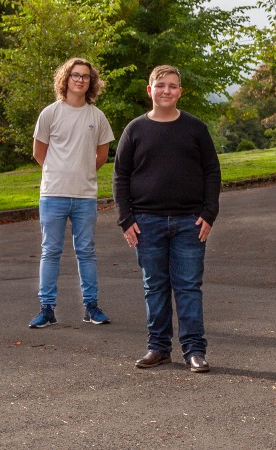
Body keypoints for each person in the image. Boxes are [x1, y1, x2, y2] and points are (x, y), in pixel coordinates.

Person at [113, 65, 221, 373]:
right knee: (155, 286)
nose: (166, 91)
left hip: (190, 221)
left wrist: (208, 213)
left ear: (180, 92)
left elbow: (212, 172)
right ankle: (158, 348)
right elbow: (120, 176)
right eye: (160, 85)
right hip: (146, 222)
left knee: (188, 287)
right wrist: (126, 219)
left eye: (173, 86)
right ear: (150, 90)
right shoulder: (134, 130)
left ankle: (194, 351)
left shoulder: (195, 128)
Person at [29, 57, 114, 328]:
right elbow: (38, 152)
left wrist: (82, 171)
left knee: (86, 252)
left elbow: (102, 155)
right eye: (75, 75)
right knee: (50, 251)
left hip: (85, 196)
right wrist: (59, 172)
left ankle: (91, 307)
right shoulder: (50, 113)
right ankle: (47, 309)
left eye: (85, 76)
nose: (80, 80)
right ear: (65, 79)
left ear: (91, 82)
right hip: (53, 194)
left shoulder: (97, 116)